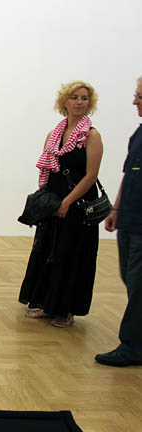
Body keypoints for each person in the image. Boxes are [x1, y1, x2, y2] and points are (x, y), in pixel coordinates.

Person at [19, 80, 104, 328]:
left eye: (84, 98)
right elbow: (47, 169)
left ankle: (66, 310)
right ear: (64, 101)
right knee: (49, 253)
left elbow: (91, 176)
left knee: (71, 256)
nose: (79, 102)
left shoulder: (92, 136)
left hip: (77, 206)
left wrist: (67, 202)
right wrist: (46, 202)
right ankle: (47, 304)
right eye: (74, 97)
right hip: (54, 203)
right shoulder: (54, 134)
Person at [95, 77, 142, 367]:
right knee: (130, 279)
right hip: (129, 220)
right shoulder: (138, 133)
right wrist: (116, 209)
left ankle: (132, 346)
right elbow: (129, 173)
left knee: (138, 285)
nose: (135, 101)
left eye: (140, 96)